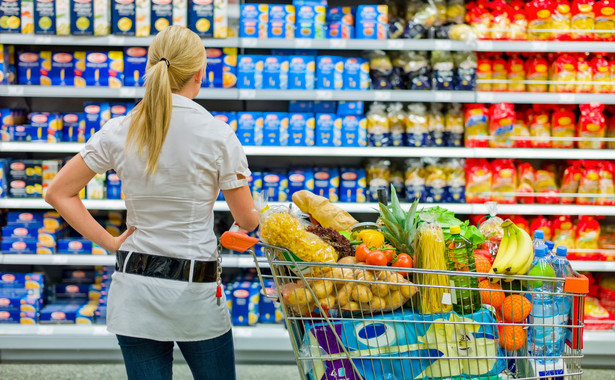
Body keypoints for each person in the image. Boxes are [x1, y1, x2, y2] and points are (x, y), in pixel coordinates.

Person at [45, 26, 259, 380]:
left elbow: (57, 192)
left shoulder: (120, 129)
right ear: (199, 74)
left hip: (135, 290)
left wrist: (110, 242)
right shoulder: (218, 135)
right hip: (195, 291)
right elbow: (246, 220)